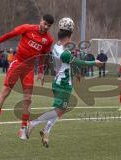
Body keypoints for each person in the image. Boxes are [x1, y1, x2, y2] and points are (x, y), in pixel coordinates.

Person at [26, 17, 103, 147]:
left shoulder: (56, 46)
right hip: (64, 85)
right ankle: (33, 123)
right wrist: (94, 62)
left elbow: (69, 63)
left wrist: (77, 72)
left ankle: (46, 131)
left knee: (58, 110)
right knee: (59, 111)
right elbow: (79, 62)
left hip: (58, 82)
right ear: (70, 36)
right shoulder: (65, 52)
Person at [0, 14, 54, 140]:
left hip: (29, 69)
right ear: (40, 21)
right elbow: (8, 35)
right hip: (17, 63)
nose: (45, 26)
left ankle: (23, 128)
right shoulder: (27, 28)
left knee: (27, 98)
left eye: (48, 25)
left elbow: (43, 56)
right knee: (5, 92)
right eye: (44, 23)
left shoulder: (48, 40)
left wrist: (41, 71)